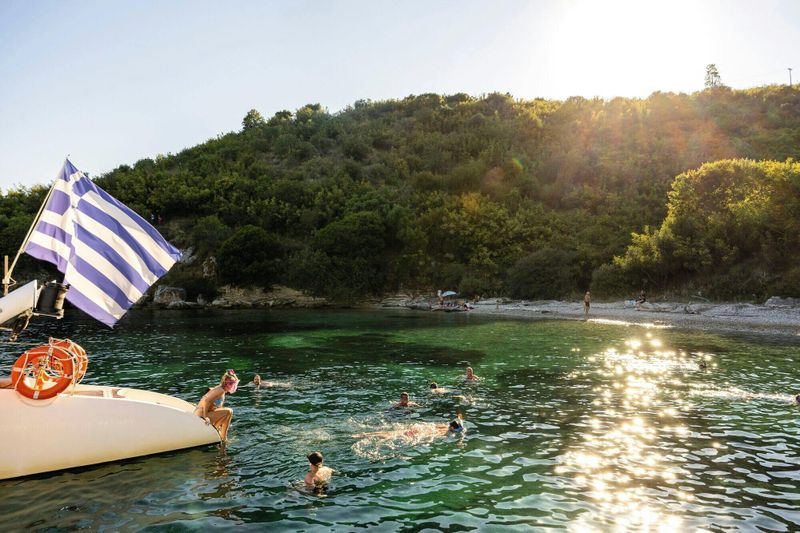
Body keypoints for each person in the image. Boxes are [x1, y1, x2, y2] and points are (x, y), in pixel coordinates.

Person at [194, 369, 239, 441]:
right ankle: (223, 437)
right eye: (230, 383)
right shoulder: (220, 390)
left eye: (233, 383)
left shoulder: (223, 391)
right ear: (225, 383)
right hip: (201, 415)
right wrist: (206, 417)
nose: (232, 385)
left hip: (205, 413)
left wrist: (232, 374)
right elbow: (206, 401)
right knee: (229, 411)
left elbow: (236, 380)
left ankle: (222, 435)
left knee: (227, 414)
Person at [352, 415, 465, 440]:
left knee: (391, 432)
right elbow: (431, 435)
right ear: (453, 428)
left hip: (418, 428)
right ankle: (364, 436)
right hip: (418, 433)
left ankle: (364, 434)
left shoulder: (444, 425)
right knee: (391, 436)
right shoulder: (446, 433)